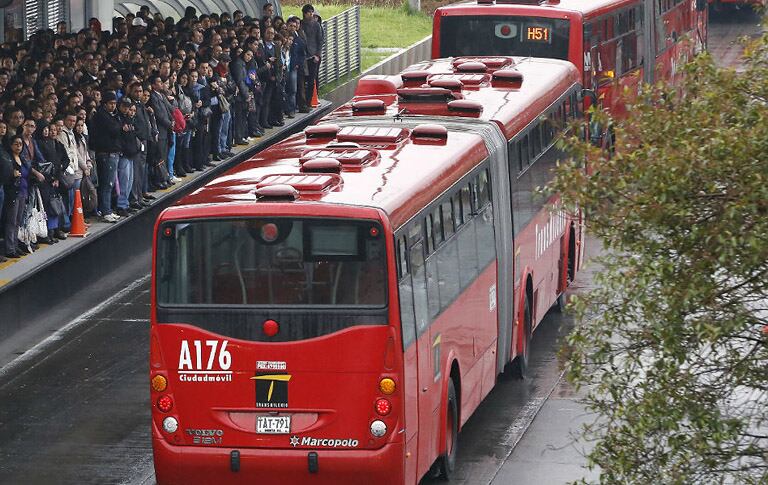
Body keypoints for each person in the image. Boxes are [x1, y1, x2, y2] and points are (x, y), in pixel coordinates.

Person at [89, 90, 123, 223]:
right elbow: (115, 129)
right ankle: (106, 211)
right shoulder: (102, 116)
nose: (113, 106)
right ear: (104, 104)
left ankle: (107, 209)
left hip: (112, 153)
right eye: (110, 103)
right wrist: (118, 124)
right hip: (106, 154)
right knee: (107, 184)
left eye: (115, 103)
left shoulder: (111, 115)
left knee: (109, 183)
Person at [3, 136, 33, 258]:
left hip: (23, 191)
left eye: (20, 144)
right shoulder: (8, 159)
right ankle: (10, 249)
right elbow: (5, 175)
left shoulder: (22, 158)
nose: (18, 146)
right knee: (11, 220)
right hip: (13, 192)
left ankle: (15, 245)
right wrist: (12, 174)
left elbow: (28, 172)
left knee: (18, 221)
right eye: (16, 144)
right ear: (11, 145)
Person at [116, 97, 137, 217]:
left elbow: (134, 133)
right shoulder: (118, 118)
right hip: (124, 153)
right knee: (124, 180)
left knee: (129, 181)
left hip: (131, 153)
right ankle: (121, 205)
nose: (126, 109)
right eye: (124, 106)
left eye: (127, 107)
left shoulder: (129, 119)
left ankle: (126, 204)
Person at [301, 4, 323, 111]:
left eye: (312, 12)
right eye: (309, 12)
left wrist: (317, 55)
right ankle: (302, 102)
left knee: (311, 80)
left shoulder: (316, 25)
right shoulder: (300, 24)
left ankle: (309, 102)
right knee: (302, 80)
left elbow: (320, 41)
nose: (311, 14)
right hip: (303, 57)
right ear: (304, 14)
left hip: (313, 57)